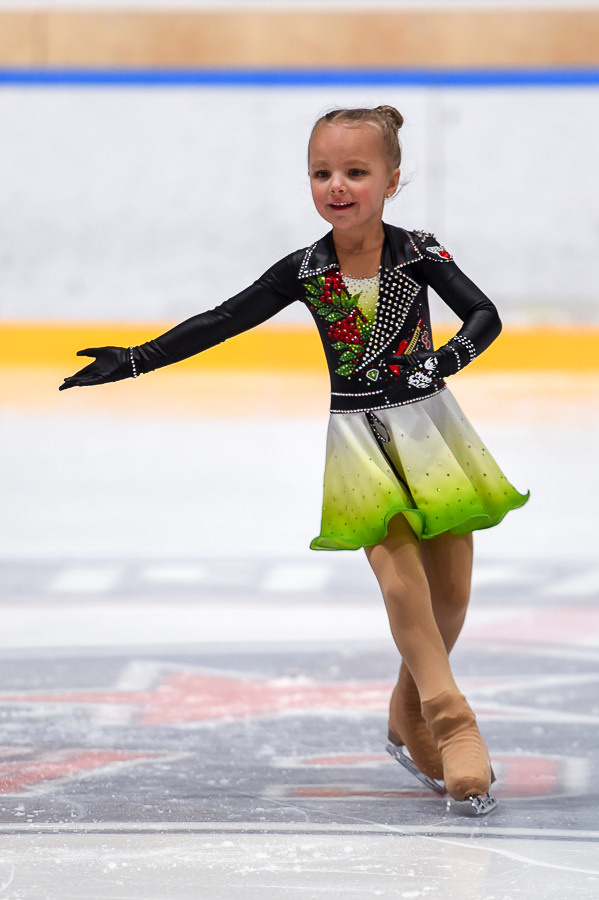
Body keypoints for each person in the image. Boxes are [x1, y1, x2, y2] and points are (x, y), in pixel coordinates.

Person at [61, 105, 528, 814]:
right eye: (321, 173)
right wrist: (134, 361)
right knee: (400, 579)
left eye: (355, 172)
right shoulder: (306, 269)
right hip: (358, 442)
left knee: (451, 594)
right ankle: (450, 719)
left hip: (430, 432)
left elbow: (484, 314)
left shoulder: (419, 252)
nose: (336, 186)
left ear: (392, 180)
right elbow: (223, 319)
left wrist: (445, 361)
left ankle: (405, 708)